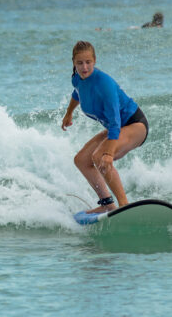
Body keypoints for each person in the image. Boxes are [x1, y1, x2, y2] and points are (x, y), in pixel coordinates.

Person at [61, 40, 149, 214]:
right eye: (80, 63)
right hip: (116, 128)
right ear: (74, 63)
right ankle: (107, 204)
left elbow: (115, 120)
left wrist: (109, 153)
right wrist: (69, 113)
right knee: (81, 160)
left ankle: (124, 206)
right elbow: (76, 93)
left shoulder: (104, 83)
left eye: (88, 62)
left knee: (100, 157)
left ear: (94, 61)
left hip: (134, 124)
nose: (84, 67)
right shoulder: (77, 79)